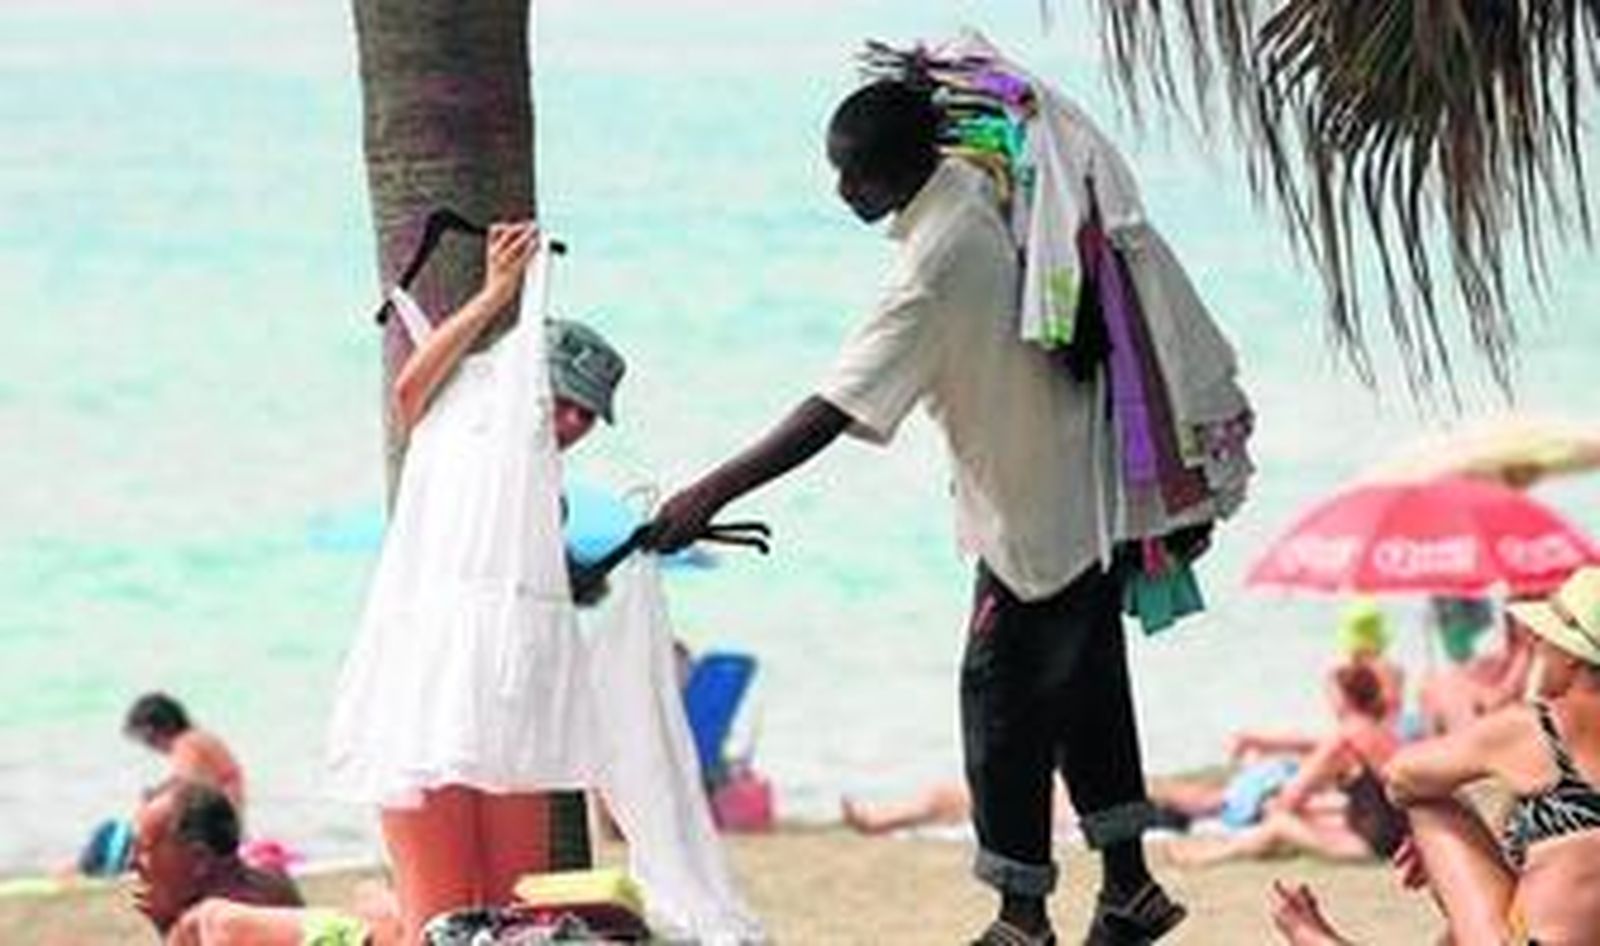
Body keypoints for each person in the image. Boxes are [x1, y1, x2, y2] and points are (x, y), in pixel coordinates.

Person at [645, 79, 1184, 944]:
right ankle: (1129, 886)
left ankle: (1022, 919)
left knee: (1001, 709)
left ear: (901, 165)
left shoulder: (937, 264)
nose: (841, 192)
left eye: (851, 174)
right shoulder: (983, 184)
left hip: (1029, 525)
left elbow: (830, 408)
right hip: (1080, 494)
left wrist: (706, 494)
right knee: (1084, 693)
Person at [325, 222, 628, 942]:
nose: (574, 421)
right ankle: (376, 911)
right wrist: (497, 295)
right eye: (564, 400)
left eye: (589, 414)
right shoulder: (474, 406)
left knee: (510, 921)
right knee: (440, 921)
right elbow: (410, 390)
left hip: (507, 704)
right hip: (428, 692)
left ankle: (378, 909)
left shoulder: (536, 482)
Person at [1168, 663, 1402, 866]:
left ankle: (1212, 855)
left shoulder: (1342, 742)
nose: (1327, 700)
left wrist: (1278, 806)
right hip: (1397, 835)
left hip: (1372, 845)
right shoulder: (1377, 730)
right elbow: (1310, 744)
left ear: (1343, 698)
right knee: (1316, 814)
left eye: (1330, 694)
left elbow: (1289, 800)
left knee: (1279, 824)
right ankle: (1250, 844)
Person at [128, 779, 306, 941]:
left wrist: (166, 926)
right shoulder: (275, 884)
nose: (132, 862)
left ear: (200, 860)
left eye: (144, 849)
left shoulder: (206, 921)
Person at [125, 692, 247, 815]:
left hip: (215, 819)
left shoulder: (185, 745)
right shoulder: (196, 738)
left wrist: (152, 806)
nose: (149, 746)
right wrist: (159, 791)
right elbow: (188, 779)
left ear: (166, 727)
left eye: (149, 738)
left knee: (148, 813)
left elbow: (188, 787)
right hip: (226, 815)